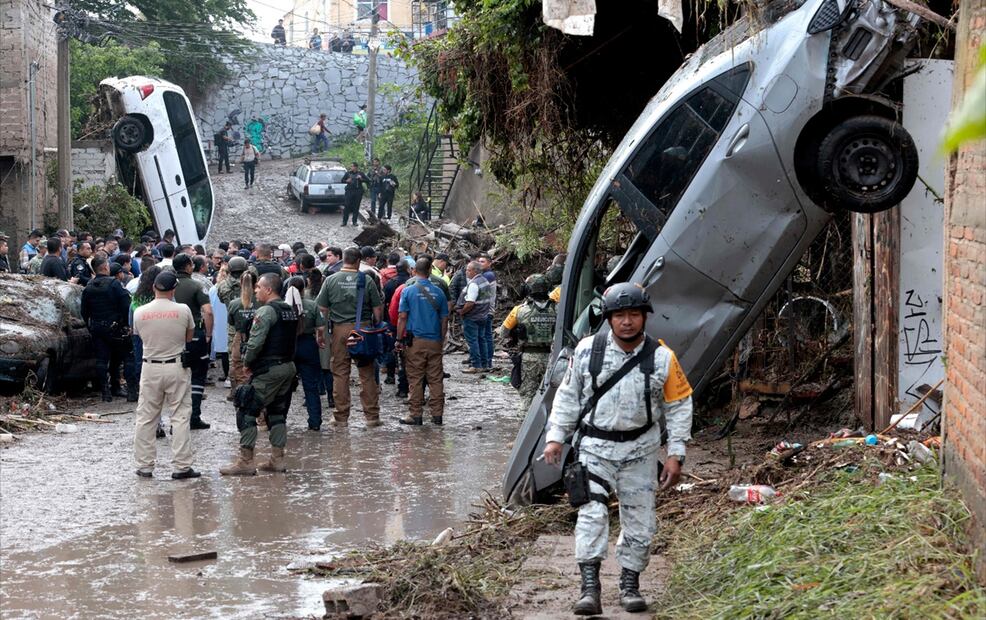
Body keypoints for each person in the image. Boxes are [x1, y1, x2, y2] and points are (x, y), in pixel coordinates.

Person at [542, 283, 694, 615]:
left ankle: (630, 585)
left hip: (641, 452)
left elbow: (679, 405)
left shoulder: (662, 357)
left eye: (634, 315)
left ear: (644, 317)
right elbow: (568, 396)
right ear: (609, 318)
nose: (627, 322)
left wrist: (675, 453)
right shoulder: (586, 351)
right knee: (591, 515)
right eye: (620, 315)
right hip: (594, 449)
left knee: (640, 522)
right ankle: (590, 588)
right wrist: (556, 436)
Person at [221, 273, 301, 476]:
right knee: (277, 412)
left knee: (246, 409)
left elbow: (255, 343)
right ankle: (278, 459)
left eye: (258, 287)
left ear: (268, 289)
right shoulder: (290, 310)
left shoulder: (265, 312)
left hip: (268, 369)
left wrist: (247, 363)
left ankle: (246, 461)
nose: (255, 290)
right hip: (288, 367)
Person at [132, 271, 201, 479]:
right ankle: (181, 466)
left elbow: (138, 336)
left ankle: (145, 466)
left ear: (154, 287)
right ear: (174, 289)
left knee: (146, 416)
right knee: (180, 415)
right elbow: (188, 337)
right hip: (176, 366)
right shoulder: (183, 310)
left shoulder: (140, 312)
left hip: (150, 366)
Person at [316, 247, 383, 428]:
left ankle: (340, 417)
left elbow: (321, 309)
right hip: (363, 330)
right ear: (358, 261)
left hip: (339, 331)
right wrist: (375, 326)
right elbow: (378, 310)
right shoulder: (366, 280)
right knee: (367, 373)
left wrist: (321, 333)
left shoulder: (330, 280)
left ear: (343, 259)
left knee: (340, 373)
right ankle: (372, 417)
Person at [396, 257, 449, 425]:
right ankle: (437, 415)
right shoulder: (439, 292)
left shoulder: (408, 291)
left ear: (414, 271)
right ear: (430, 271)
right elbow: (445, 319)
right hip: (434, 341)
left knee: (416, 378)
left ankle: (416, 415)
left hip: (415, 342)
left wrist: (398, 339)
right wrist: (440, 339)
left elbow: (402, 317)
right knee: (435, 379)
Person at [81, 255, 132, 402]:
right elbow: (126, 305)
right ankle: (116, 386)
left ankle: (105, 390)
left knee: (101, 359)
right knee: (118, 358)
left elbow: (84, 311)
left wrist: (90, 325)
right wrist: (126, 324)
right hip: (115, 328)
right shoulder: (114, 284)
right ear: (105, 268)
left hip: (97, 327)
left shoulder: (89, 286)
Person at [503, 274, 557, 411]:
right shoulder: (559, 309)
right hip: (553, 358)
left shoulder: (519, 310)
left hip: (529, 358)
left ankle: (524, 427)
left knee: (527, 396)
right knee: (553, 397)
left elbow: (504, 332)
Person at [172, 254, 214, 430]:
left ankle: (176, 419)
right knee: (198, 374)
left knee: (175, 376)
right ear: (189, 266)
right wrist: (208, 334)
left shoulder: (169, 286)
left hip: (173, 335)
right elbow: (208, 311)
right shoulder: (196, 286)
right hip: (195, 333)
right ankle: (194, 416)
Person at [287, 276, 326, 431]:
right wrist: (319, 340)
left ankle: (279, 419)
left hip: (289, 347)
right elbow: (321, 328)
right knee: (311, 386)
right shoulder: (312, 305)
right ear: (304, 289)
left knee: (285, 386)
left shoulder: (283, 306)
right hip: (308, 345)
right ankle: (315, 421)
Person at [456, 261, 493, 373]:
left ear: (474, 271)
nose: (466, 272)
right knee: (481, 339)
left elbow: (470, 303)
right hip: (483, 315)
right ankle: (484, 364)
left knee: (473, 341)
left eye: (468, 269)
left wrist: (462, 312)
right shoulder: (485, 281)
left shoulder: (474, 284)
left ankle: (476, 365)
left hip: (472, 316)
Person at [226, 271, 257, 400]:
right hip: (258, 336)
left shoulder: (234, 303)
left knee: (237, 366)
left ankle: (238, 393)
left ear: (240, 283)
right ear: (257, 284)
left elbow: (231, 321)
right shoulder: (261, 302)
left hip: (240, 337)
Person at [477, 253, 497, 371]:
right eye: (479, 261)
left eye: (482, 261)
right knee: (486, 335)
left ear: (489, 263)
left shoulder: (488, 275)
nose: (480, 263)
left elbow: (483, 294)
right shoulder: (485, 274)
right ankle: (486, 361)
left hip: (486, 310)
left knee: (486, 336)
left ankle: (487, 361)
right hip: (487, 309)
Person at [341, 163, 369, 227]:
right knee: (347, 206)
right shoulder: (348, 173)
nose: (351, 167)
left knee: (356, 207)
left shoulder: (360, 173)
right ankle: (344, 221)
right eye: (351, 166)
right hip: (349, 191)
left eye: (352, 166)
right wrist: (346, 181)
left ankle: (354, 221)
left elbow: (368, 180)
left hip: (358, 191)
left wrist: (361, 179)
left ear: (356, 167)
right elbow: (342, 180)